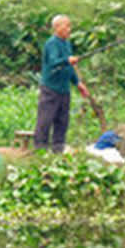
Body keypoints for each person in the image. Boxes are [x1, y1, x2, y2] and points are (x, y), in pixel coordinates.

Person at [34, 14, 91, 153]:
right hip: (50, 88)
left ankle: (58, 148)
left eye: (70, 26)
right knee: (46, 119)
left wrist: (78, 83)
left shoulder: (67, 44)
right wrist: (67, 60)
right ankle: (40, 149)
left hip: (64, 89)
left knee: (62, 120)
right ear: (57, 27)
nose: (69, 29)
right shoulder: (52, 43)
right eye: (67, 26)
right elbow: (54, 62)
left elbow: (69, 67)